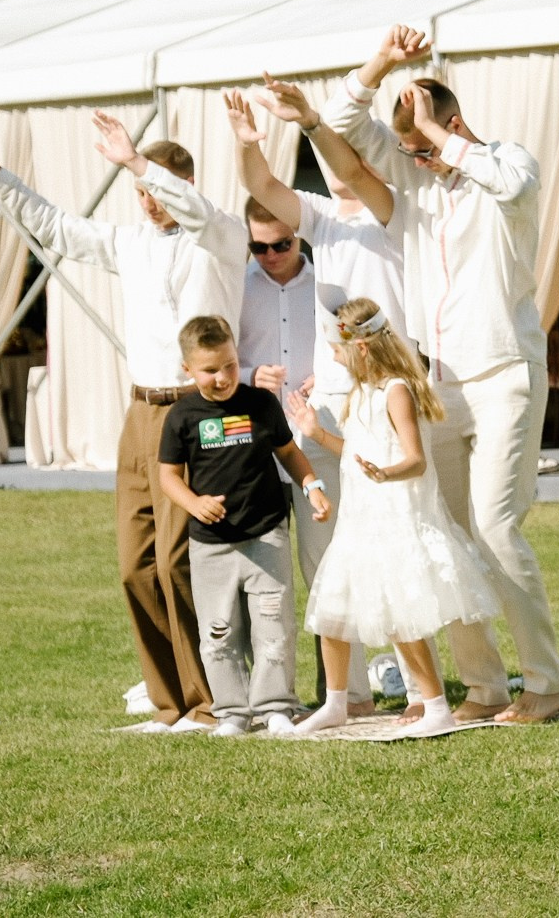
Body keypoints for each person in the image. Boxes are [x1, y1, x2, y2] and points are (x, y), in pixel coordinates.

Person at [0, 111, 242, 732]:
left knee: (177, 561)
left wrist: (139, 163)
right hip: (139, 410)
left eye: (157, 187)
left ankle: (211, 703)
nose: (148, 201)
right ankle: (170, 703)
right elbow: (55, 227)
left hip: (194, 409)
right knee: (136, 564)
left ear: (185, 185)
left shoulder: (218, 236)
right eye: (140, 191)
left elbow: (190, 208)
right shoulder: (128, 243)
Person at [321, 25, 559, 724]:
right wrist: (384, 64)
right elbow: (341, 123)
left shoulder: (505, 166)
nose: (420, 162)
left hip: (507, 375)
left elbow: (510, 177)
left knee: (495, 529)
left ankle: (546, 682)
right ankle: (484, 685)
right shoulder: (417, 187)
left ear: (452, 123)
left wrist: (437, 130)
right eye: (413, 152)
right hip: (444, 384)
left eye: (426, 148)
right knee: (446, 534)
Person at [227, 84, 411, 718]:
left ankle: (426, 689)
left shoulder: (396, 214)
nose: (339, 178)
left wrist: (311, 120)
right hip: (322, 416)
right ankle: (350, 694)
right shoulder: (322, 220)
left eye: (344, 166)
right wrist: (249, 145)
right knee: (326, 557)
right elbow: (266, 190)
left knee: (397, 545)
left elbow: (359, 168)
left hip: (386, 402)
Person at [286, 299, 504, 737]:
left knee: (400, 614)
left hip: (395, 516)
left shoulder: (396, 390)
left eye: (335, 347)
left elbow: (415, 460)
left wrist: (385, 474)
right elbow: (359, 454)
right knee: (333, 605)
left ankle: (435, 703)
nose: (331, 355)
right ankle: (335, 702)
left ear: (361, 348)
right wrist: (316, 433)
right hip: (360, 517)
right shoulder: (361, 393)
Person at [157, 315, 329, 737]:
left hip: (266, 536)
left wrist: (313, 486)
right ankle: (232, 712)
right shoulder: (182, 416)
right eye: (210, 370)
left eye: (230, 365)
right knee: (219, 631)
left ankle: (275, 707)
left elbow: (288, 453)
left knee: (274, 627)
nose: (223, 377)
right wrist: (194, 503)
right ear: (188, 370)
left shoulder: (260, 404)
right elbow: (168, 477)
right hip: (211, 546)